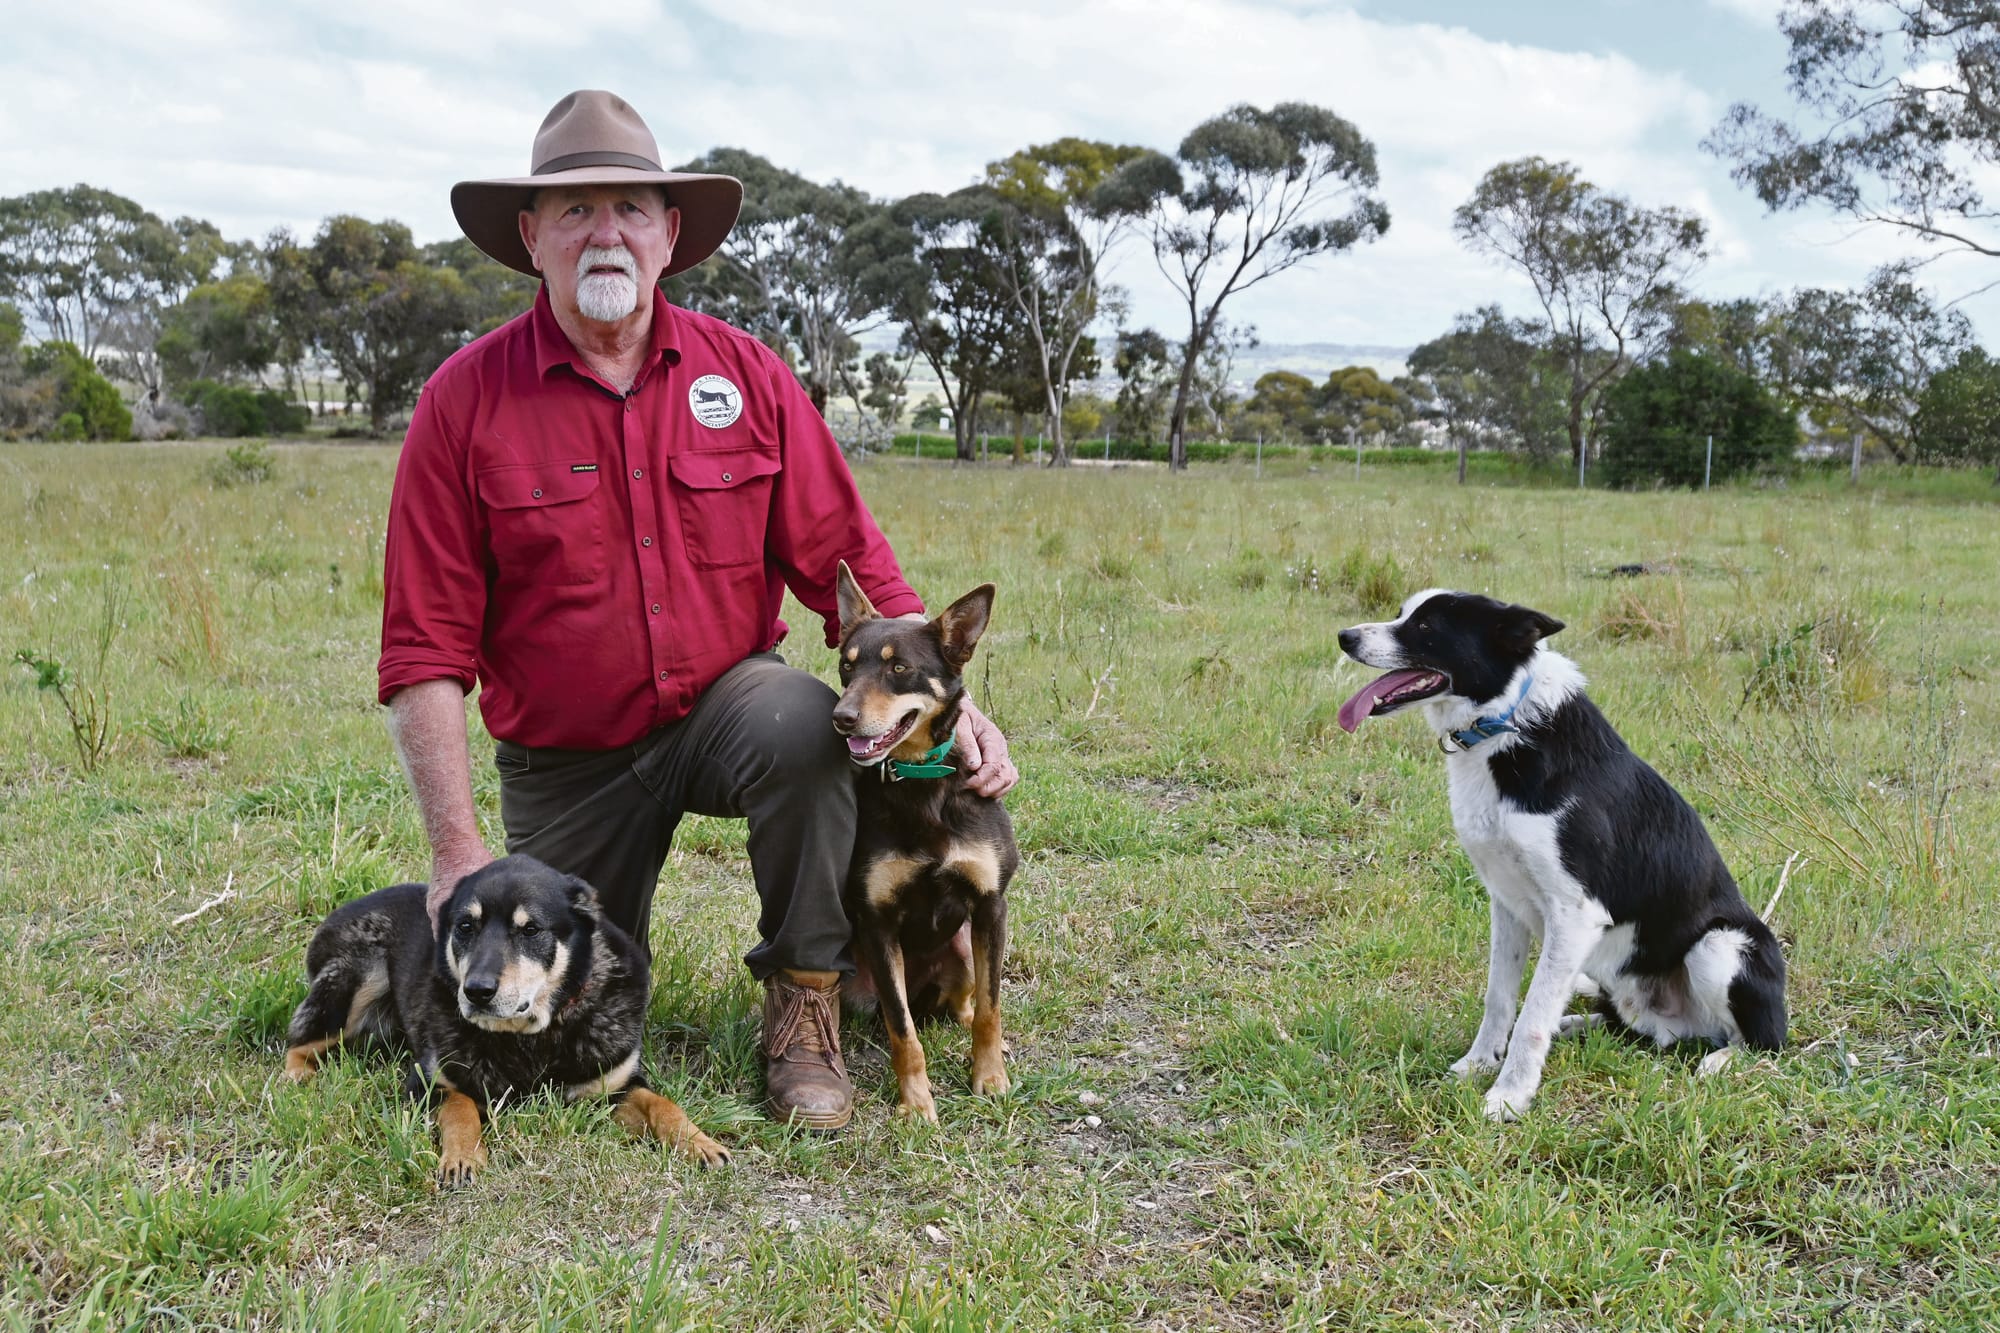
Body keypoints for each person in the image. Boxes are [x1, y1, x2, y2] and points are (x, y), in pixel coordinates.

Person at [376, 90, 1017, 1133]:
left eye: (630, 205)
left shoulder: (747, 375)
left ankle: (806, 1002)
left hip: (725, 709)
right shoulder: (463, 402)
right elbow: (424, 650)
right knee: (558, 1007)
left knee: (809, 725)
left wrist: (956, 714)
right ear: (531, 237)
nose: (605, 232)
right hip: (568, 756)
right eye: (574, 211)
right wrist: (454, 854)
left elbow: (848, 560)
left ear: (669, 233)